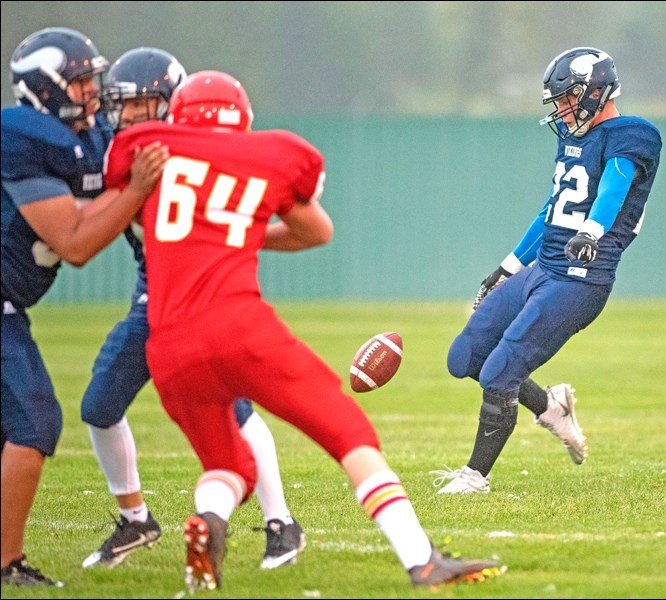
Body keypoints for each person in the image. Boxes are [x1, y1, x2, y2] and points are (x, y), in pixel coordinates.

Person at [103, 69, 502, 591]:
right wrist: (238, 230)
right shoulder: (268, 154)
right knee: (350, 434)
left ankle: (211, 522)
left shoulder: (147, 154)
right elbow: (315, 228)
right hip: (239, 327)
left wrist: (214, 229)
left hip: (170, 348)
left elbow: (136, 218)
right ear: (241, 118)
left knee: (228, 465)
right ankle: (421, 558)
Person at [80, 46, 305, 572]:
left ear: (171, 104)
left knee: (236, 406)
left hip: (205, 299)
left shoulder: (203, 155)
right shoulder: (122, 150)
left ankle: (281, 523)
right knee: (98, 405)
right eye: (124, 105)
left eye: (142, 105)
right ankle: (135, 519)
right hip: (153, 297)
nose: (129, 116)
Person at [433, 47, 662, 494]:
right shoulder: (572, 138)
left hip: (580, 280)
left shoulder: (633, 135)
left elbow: (613, 187)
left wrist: (593, 233)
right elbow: (553, 212)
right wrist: (507, 267)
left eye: (568, 97)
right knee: (466, 358)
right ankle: (551, 406)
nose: (561, 108)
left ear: (597, 91)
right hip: (541, 270)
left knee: (500, 373)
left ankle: (474, 477)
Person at [1, 28, 168, 587]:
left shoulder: (86, 136)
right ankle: (6, 564)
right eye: (79, 81)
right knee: (33, 422)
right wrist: (136, 192)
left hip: (10, 306)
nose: (93, 93)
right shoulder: (25, 140)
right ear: (45, 90)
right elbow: (74, 245)